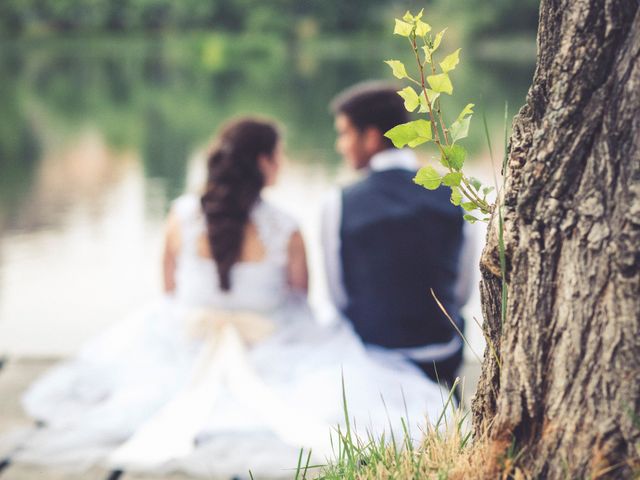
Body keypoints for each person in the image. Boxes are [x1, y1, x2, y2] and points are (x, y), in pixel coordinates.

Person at [7, 117, 448, 479]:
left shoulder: (181, 215)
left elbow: (169, 292)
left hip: (189, 337)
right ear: (263, 161)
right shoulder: (285, 227)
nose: (281, 163)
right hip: (270, 344)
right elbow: (299, 298)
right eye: (278, 155)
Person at [322, 82, 466, 390]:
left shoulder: (339, 202)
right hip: (443, 355)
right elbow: (463, 290)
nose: (340, 145)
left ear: (372, 137)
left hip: (374, 356)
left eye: (345, 133)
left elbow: (339, 297)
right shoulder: (454, 193)